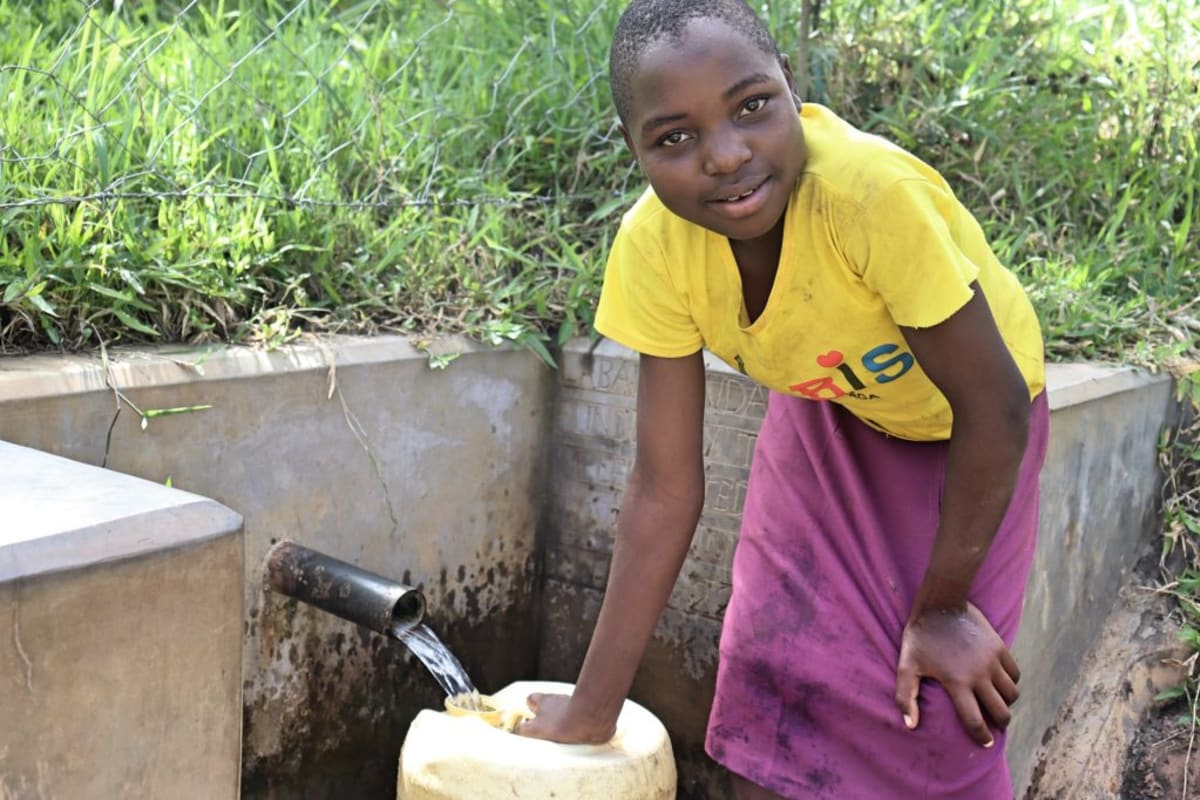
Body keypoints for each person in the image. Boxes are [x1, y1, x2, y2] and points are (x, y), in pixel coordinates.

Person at [516, 1, 1049, 797]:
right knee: (774, 664)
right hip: (829, 406)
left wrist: (941, 607)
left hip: (971, 431)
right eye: (675, 137)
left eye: (752, 107)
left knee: (939, 704)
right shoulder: (656, 251)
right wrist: (593, 711)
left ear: (792, 88)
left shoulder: (867, 198)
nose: (726, 156)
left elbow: (995, 406)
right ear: (633, 151)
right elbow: (664, 489)